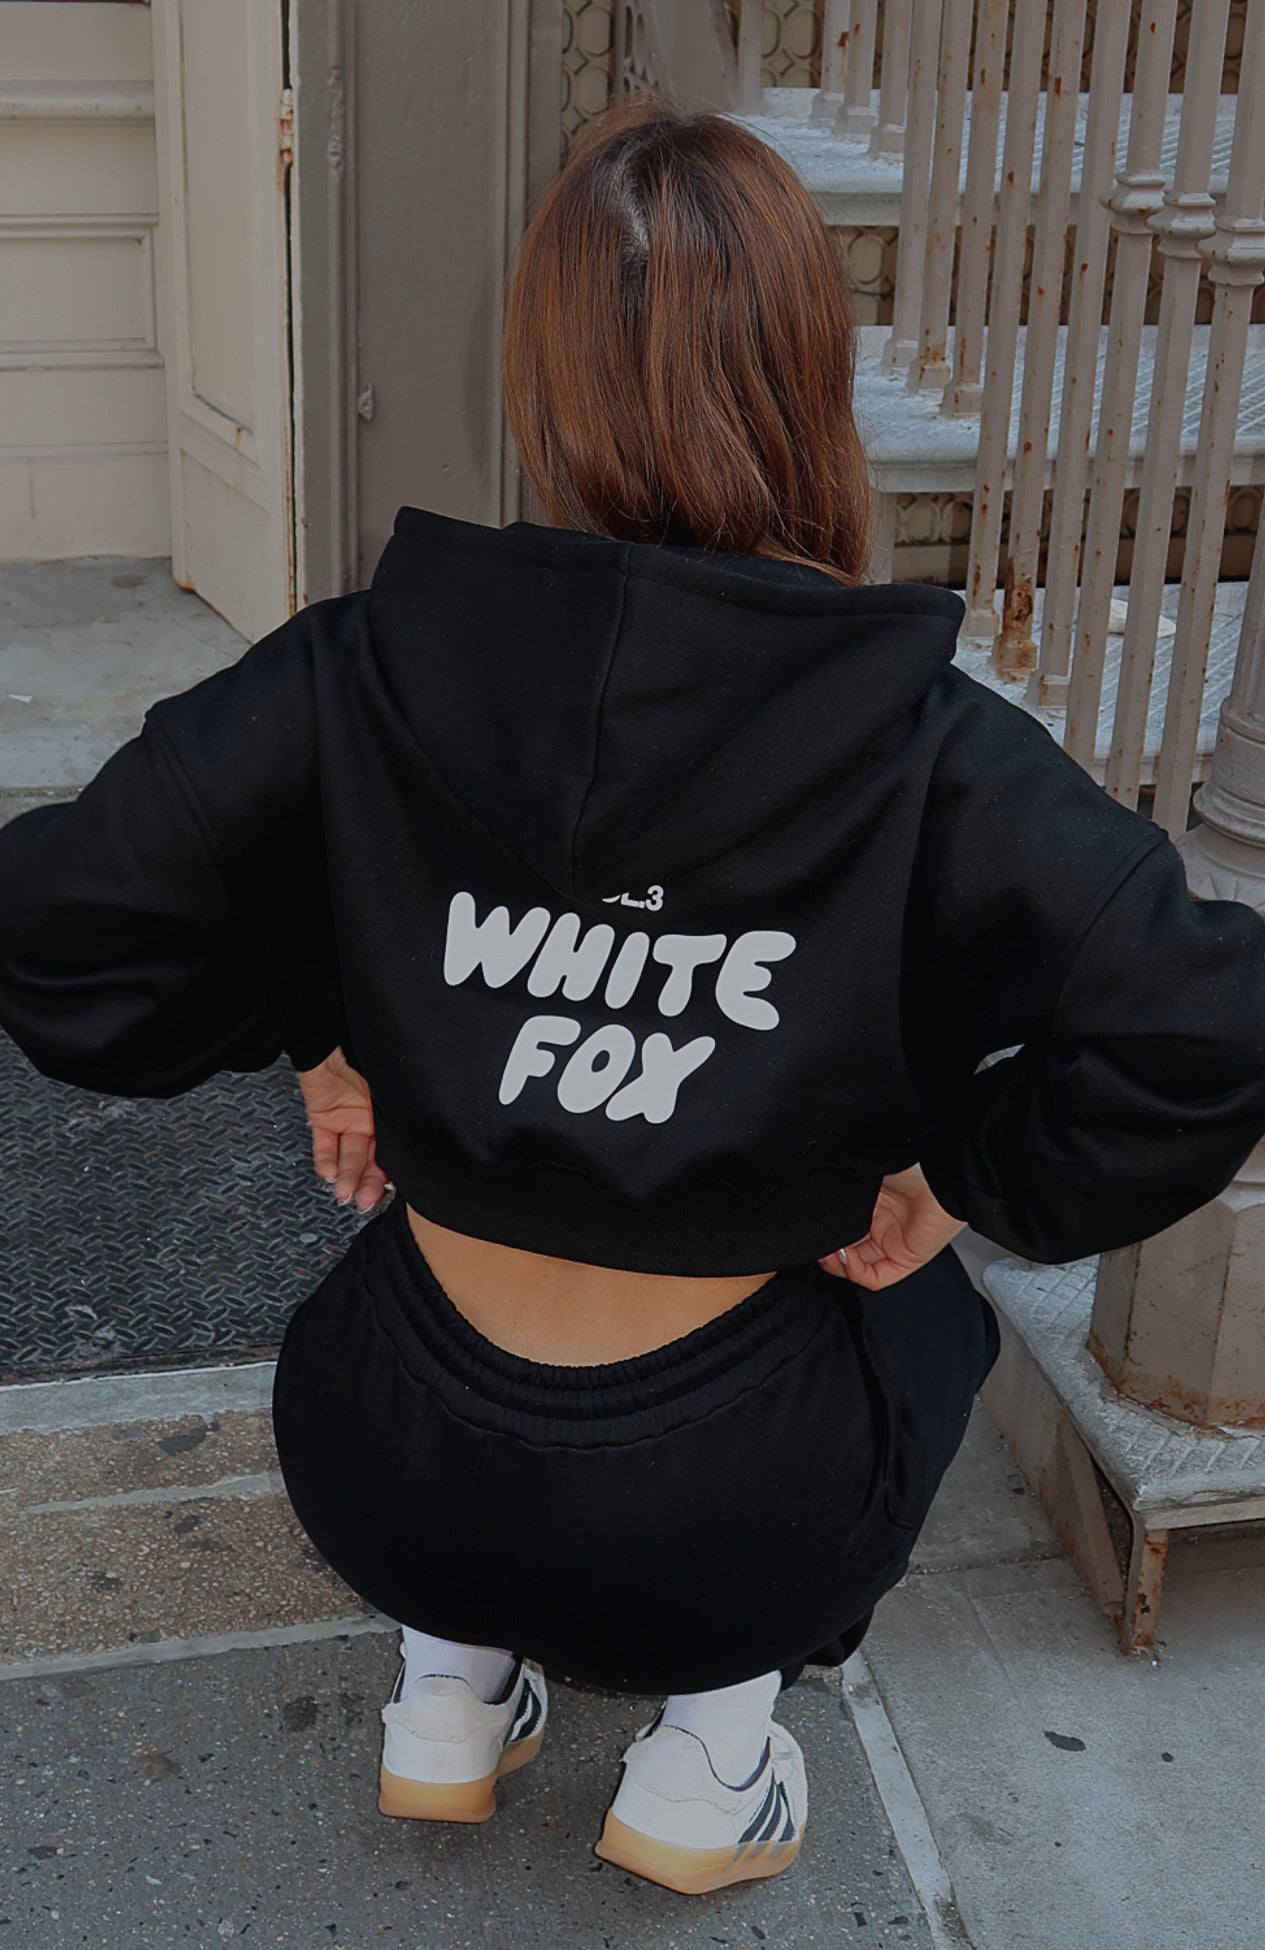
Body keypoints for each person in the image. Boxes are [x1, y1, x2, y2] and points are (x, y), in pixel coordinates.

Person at [2, 96, 1265, 1900]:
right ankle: (708, 1757)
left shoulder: (364, 662)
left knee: (478, 1266)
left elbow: (53, 918)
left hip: (383, 1461)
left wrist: (320, 1032)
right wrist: (961, 1177)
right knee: (925, 1317)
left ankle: (447, 1691)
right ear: (809, 375)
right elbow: (1204, 1021)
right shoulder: (925, 747)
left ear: (546, 378)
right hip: (730, 1522)